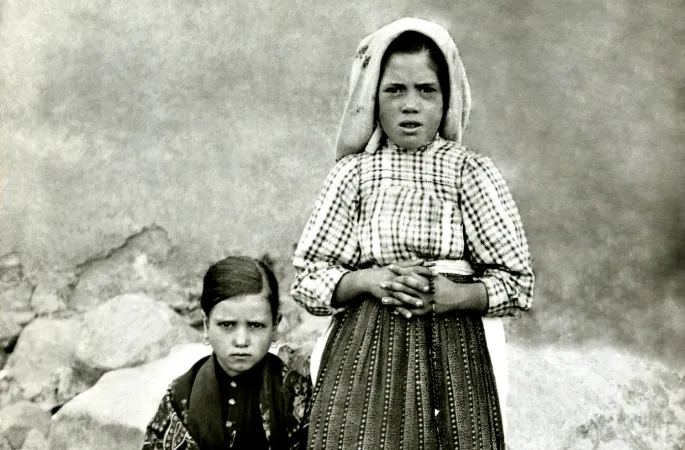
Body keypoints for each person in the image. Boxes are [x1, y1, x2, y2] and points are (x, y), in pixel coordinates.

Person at [291, 17, 534, 450]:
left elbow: (516, 284)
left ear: (446, 101)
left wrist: (457, 295)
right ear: (371, 99)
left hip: (456, 349)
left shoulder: (469, 172)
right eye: (394, 90)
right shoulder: (354, 175)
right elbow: (310, 280)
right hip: (365, 346)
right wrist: (369, 280)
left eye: (426, 90)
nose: (410, 105)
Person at [142, 256, 312, 450]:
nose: (241, 341)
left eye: (256, 325)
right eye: (227, 325)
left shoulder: (297, 392)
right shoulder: (181, 396)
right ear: (206, 325)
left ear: (274, 326)